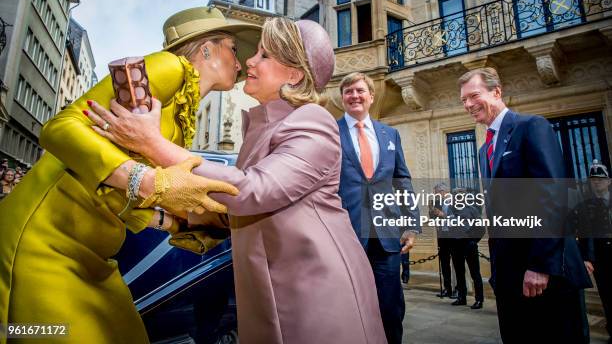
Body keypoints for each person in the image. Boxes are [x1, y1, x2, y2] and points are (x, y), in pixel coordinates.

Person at [89, 18, 387, 344]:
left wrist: (153, 144)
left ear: (294, 74)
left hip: (315, 291)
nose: (250, 61)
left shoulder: (312, 120)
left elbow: (251, 190)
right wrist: (175, 215)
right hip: (273, 290)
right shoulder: (264, 126)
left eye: (265, 55)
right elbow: (243, 211)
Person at [0, 6, 260, 343]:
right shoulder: (170, 67)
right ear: (206, 48)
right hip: (44, 240)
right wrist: (149, 181)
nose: (240, 64)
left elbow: (117, 188)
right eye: (233, 49)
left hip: (92, 253)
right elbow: (60, 127)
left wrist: (177, 221)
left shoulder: (184, 108)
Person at [459, 67, 591, 342]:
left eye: (474, 95)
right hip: (512, 277)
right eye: (463, 100)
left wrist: (541, 265)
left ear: (497, 91)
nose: (469, 105)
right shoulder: (485, 150)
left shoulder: (531, 127)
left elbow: (553, 197)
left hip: (547, 274)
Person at [337, 72, 419, 344]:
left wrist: (410, 223)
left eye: (360, 90)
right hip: (345, 238)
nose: (354, 95)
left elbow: (402, 180)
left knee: (391, 310)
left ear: (372, 96)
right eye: (348, 91)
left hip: (386, 238)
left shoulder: (389, 134)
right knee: (348, 310)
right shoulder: (329, 133)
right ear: (342, 98)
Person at [573, 160, 611, 340]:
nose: (596, 182)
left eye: (600, 179)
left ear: (608, 181)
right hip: (600, 255)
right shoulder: (585, 202)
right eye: (593, 179)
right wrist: (587, 257)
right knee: (606, 292)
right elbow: (585, 231)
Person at [446, 188, 485, 309]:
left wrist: (473, 241)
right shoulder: (450, 209)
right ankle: (462, 297)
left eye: (460, 195)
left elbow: (481, 228)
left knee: (475, 273)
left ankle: (479, 299)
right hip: (455, 245)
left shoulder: (472, 209)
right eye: (455, 195)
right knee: (459, 273)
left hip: (468, 245)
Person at [429, 182, 457, 299]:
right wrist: (431, 210)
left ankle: (459, 288)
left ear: (442, 192)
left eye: (436, 193)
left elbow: (459, 218)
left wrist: (443, 215)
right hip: (443, 235)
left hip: (454, 235)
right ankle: (447, 288)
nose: (435, 195)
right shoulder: (438, 203)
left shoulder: (455, 202)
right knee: (444, 263)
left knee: (456, 264)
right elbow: (434, 217)